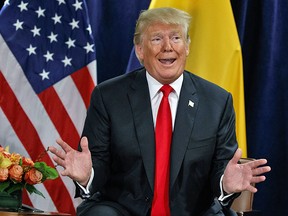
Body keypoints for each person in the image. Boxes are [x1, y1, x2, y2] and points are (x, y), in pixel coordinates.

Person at [49, 7, 271, 216]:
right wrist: (88, 175)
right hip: (122, 209)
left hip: (194, 211)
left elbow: (222, 166)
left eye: (176, 38)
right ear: (140, 50)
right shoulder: (108, 97)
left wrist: (225, 183)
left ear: (187, 47)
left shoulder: (217, 101)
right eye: (157, 39)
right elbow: (98, 162)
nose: (168, 47)